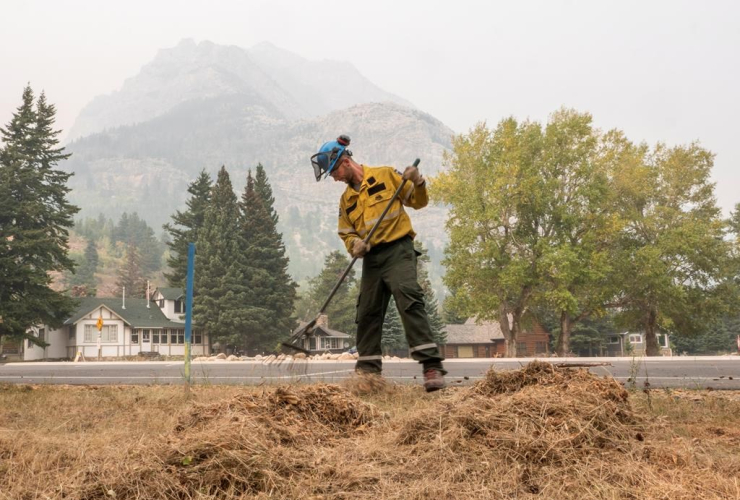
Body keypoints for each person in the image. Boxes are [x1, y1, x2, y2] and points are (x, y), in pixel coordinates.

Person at [311, 135, 447, 392]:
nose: (335, 178)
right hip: (372, 259)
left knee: (408, 299)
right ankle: (368, 376)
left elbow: (418, 201)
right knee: (367, 312)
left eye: (335, 171)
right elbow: (346, 232)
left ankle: (432, 367)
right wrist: (355, 245)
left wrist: (418, 181)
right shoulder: (346, 201)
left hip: (398, 250)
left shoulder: (386, 176)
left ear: (346, 161)